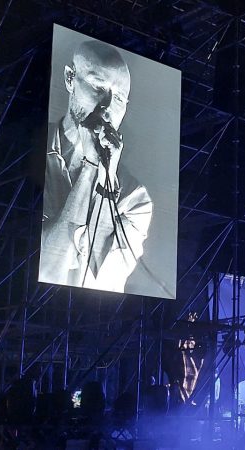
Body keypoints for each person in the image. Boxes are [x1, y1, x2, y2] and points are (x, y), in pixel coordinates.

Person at [39, 39, 152, 292]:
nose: (107, 106)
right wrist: (90, 166)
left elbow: (99, 281)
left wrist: (103, 173)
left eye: (119, 98)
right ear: (70, 79)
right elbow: (47, 266)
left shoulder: (136, 199)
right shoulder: (26, 151)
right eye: (97, 86)